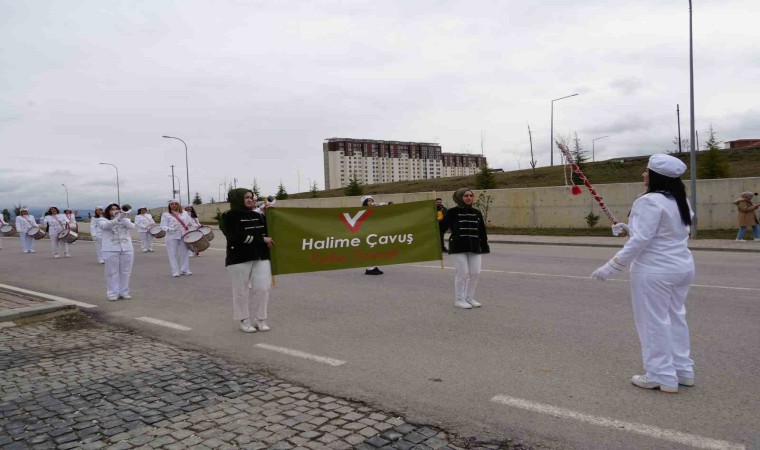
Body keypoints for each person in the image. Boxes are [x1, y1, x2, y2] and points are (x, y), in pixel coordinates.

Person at [591, 154, 695, 394]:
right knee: (676, 317)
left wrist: (612, 266)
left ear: (657, 176)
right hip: (681, 266)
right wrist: (629, 228)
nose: (643, 175)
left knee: (652, 322)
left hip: (655, 270)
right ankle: (683, 370)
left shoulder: (648, 201)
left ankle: (661, 375)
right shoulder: (680, 199)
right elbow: (666, 233)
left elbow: (642, 240)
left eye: (647, 171)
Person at [219, 188, 274, 333]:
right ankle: (244, 320)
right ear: (237, 199)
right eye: (246, 197)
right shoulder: (228, 216)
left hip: (261, 256)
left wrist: (272, 216)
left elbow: (269, 230)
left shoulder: (258, 215)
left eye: (251, 197)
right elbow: (235, 236)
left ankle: (261, 319)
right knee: (241, 290)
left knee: (263, 288)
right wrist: (262, 239)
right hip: (238, 258)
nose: (250, 200)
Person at [440, 188, 490, 309]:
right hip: (458, 246)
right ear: (459, 198)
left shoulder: (477, 212)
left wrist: (484, 245)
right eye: (466, 196)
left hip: (474, 246)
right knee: (462, 273)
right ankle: (459, 300)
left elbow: (482, 231)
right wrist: (437, 223)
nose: (469, 198)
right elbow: (440, 229)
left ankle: (469, 298)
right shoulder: (452, 212)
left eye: (471, 195)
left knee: (475, 273)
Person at [99, 203, 135, 300]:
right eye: (112, 209)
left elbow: (132, 226)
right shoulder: (102, 220)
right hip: (110, 248)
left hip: (127, 247)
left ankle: (124, 292)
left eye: (116, 209)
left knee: (126, 271)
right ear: (108, 211)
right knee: (111, 272)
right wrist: (118, 218)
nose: (114, 211)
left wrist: (122, 217)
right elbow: (105, 226)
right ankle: (112, 293)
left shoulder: (125, 219)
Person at [160, 199, 192, 277]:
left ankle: (185, 270)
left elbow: (190, 222)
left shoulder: (184, 213)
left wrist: (188, 225)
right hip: (172, 235)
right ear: (169, 206)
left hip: (183, 235)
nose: (174, 205)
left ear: (178, 205)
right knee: (172, 254)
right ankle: (175, 271)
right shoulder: (166, 214)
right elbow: (162, 226)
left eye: (175, 204)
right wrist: (170, 229)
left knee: (184, 253)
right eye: (172, 204)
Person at [361, 195, 383, 275]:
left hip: (374, 232)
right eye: (369, 200)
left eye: (372, 200)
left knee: (376, 250)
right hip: (367, 233)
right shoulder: (362, 211)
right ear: (365, 203)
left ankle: (374, 266)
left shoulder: (374, 209)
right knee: (369, 250)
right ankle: (369, 268)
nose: (371, 202)